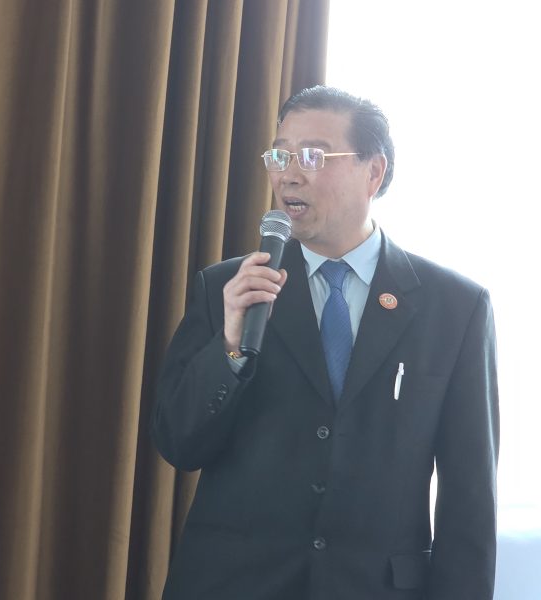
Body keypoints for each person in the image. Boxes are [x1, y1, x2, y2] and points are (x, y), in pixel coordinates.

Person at [151, 86, 499, 599]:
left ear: (373, 172)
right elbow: (178, 444)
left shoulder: (455, 307)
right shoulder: (229, 288)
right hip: (234, 584)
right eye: (279, 156)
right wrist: (229, 348)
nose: (289, 174)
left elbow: (470, 498)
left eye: (312, 156)